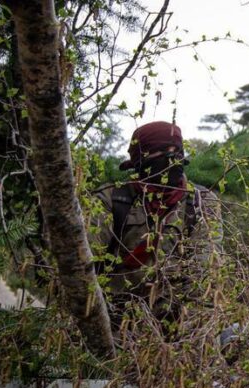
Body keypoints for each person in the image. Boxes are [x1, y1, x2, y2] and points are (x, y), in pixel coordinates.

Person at [90, 121, 222, 323]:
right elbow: (84, 266)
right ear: (141, 160)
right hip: (114, 322)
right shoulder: (111, 199)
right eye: (163, 152)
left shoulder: (201, 203)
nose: (173, 159)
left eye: (177, 152)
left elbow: (204, 276)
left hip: (177, 328)